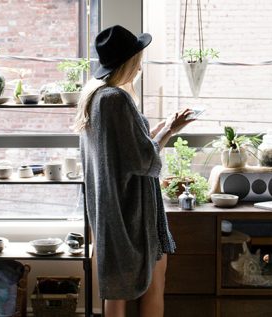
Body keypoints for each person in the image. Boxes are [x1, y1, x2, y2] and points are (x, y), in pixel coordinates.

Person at [75, 25, 196, 317]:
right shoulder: (116, 99)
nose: (140, 65)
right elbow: (143, 159)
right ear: (128, 61)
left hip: (109, 211)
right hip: (132, 212)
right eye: (138, 59)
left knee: (115, 291)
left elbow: (126, 147)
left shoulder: (95, 97)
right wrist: (170, 130)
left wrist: (162, 128)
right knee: (153, 283)